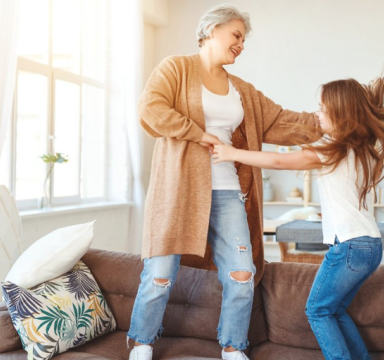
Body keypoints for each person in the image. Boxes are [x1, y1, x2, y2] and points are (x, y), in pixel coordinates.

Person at [127, 4, 319, 360]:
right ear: (211, 31)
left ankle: (233, 346)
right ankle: (142, 342)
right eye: (236, 36)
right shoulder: (176, 68)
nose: (241, 45)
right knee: (160, 274)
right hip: (179, 191)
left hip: (229, 192)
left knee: (242, 274)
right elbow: (150, 109)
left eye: (243, 39)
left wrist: (329, 119)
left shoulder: (242, 90)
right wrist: (197, 133)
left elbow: (282, 121)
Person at [212, 72, 384, 360]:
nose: (317, 114)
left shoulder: (332, 149)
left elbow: (279, 160)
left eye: (321, 108)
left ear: (339, 112)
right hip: (370, 245)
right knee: (334, 310)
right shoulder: (361, 148)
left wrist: (232, 153)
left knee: (317, 310)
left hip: (350, 245)